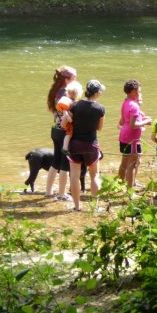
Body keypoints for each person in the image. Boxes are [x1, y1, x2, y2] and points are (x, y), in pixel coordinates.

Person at [68, 80, 106, 211]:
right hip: (91, 144)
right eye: (100, 90)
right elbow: (100, 128)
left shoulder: (75, 105)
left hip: (75, 144)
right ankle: (95, 207)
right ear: (96, 93)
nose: (101, 92)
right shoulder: (100, 108)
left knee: (74, 176)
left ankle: (77, 206)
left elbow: (68, 122)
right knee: (94, 175)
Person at [45, 65, 76, 201]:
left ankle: (48, 191)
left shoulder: (56, 91)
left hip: (55, 129)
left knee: (56, 161)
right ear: (67, 79)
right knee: (64, 163)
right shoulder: (65, 93)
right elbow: (67, 115)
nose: (76, 80)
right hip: (64, 131)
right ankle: (62, 193)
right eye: (75, 77)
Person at [117, 79, 152, 191]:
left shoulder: (125, 102)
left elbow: (124, 121)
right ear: (133, 91)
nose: (140, 91)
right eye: (139, 89)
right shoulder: (135, 106)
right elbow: (133, 125)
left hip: (124, 136)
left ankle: (119, 184)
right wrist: (146, 122)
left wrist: (142, 118)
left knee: (124, 162)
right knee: (133, 164)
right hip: (132, 139)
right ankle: (130, 191)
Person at [58, 81, 84, 156]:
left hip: (66, 122)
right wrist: (68, 117)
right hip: (68, 123)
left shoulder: (71, 101)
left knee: (69, 134)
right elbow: (65, 111)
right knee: (69, 134)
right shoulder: (70, 102)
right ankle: (65, 148)